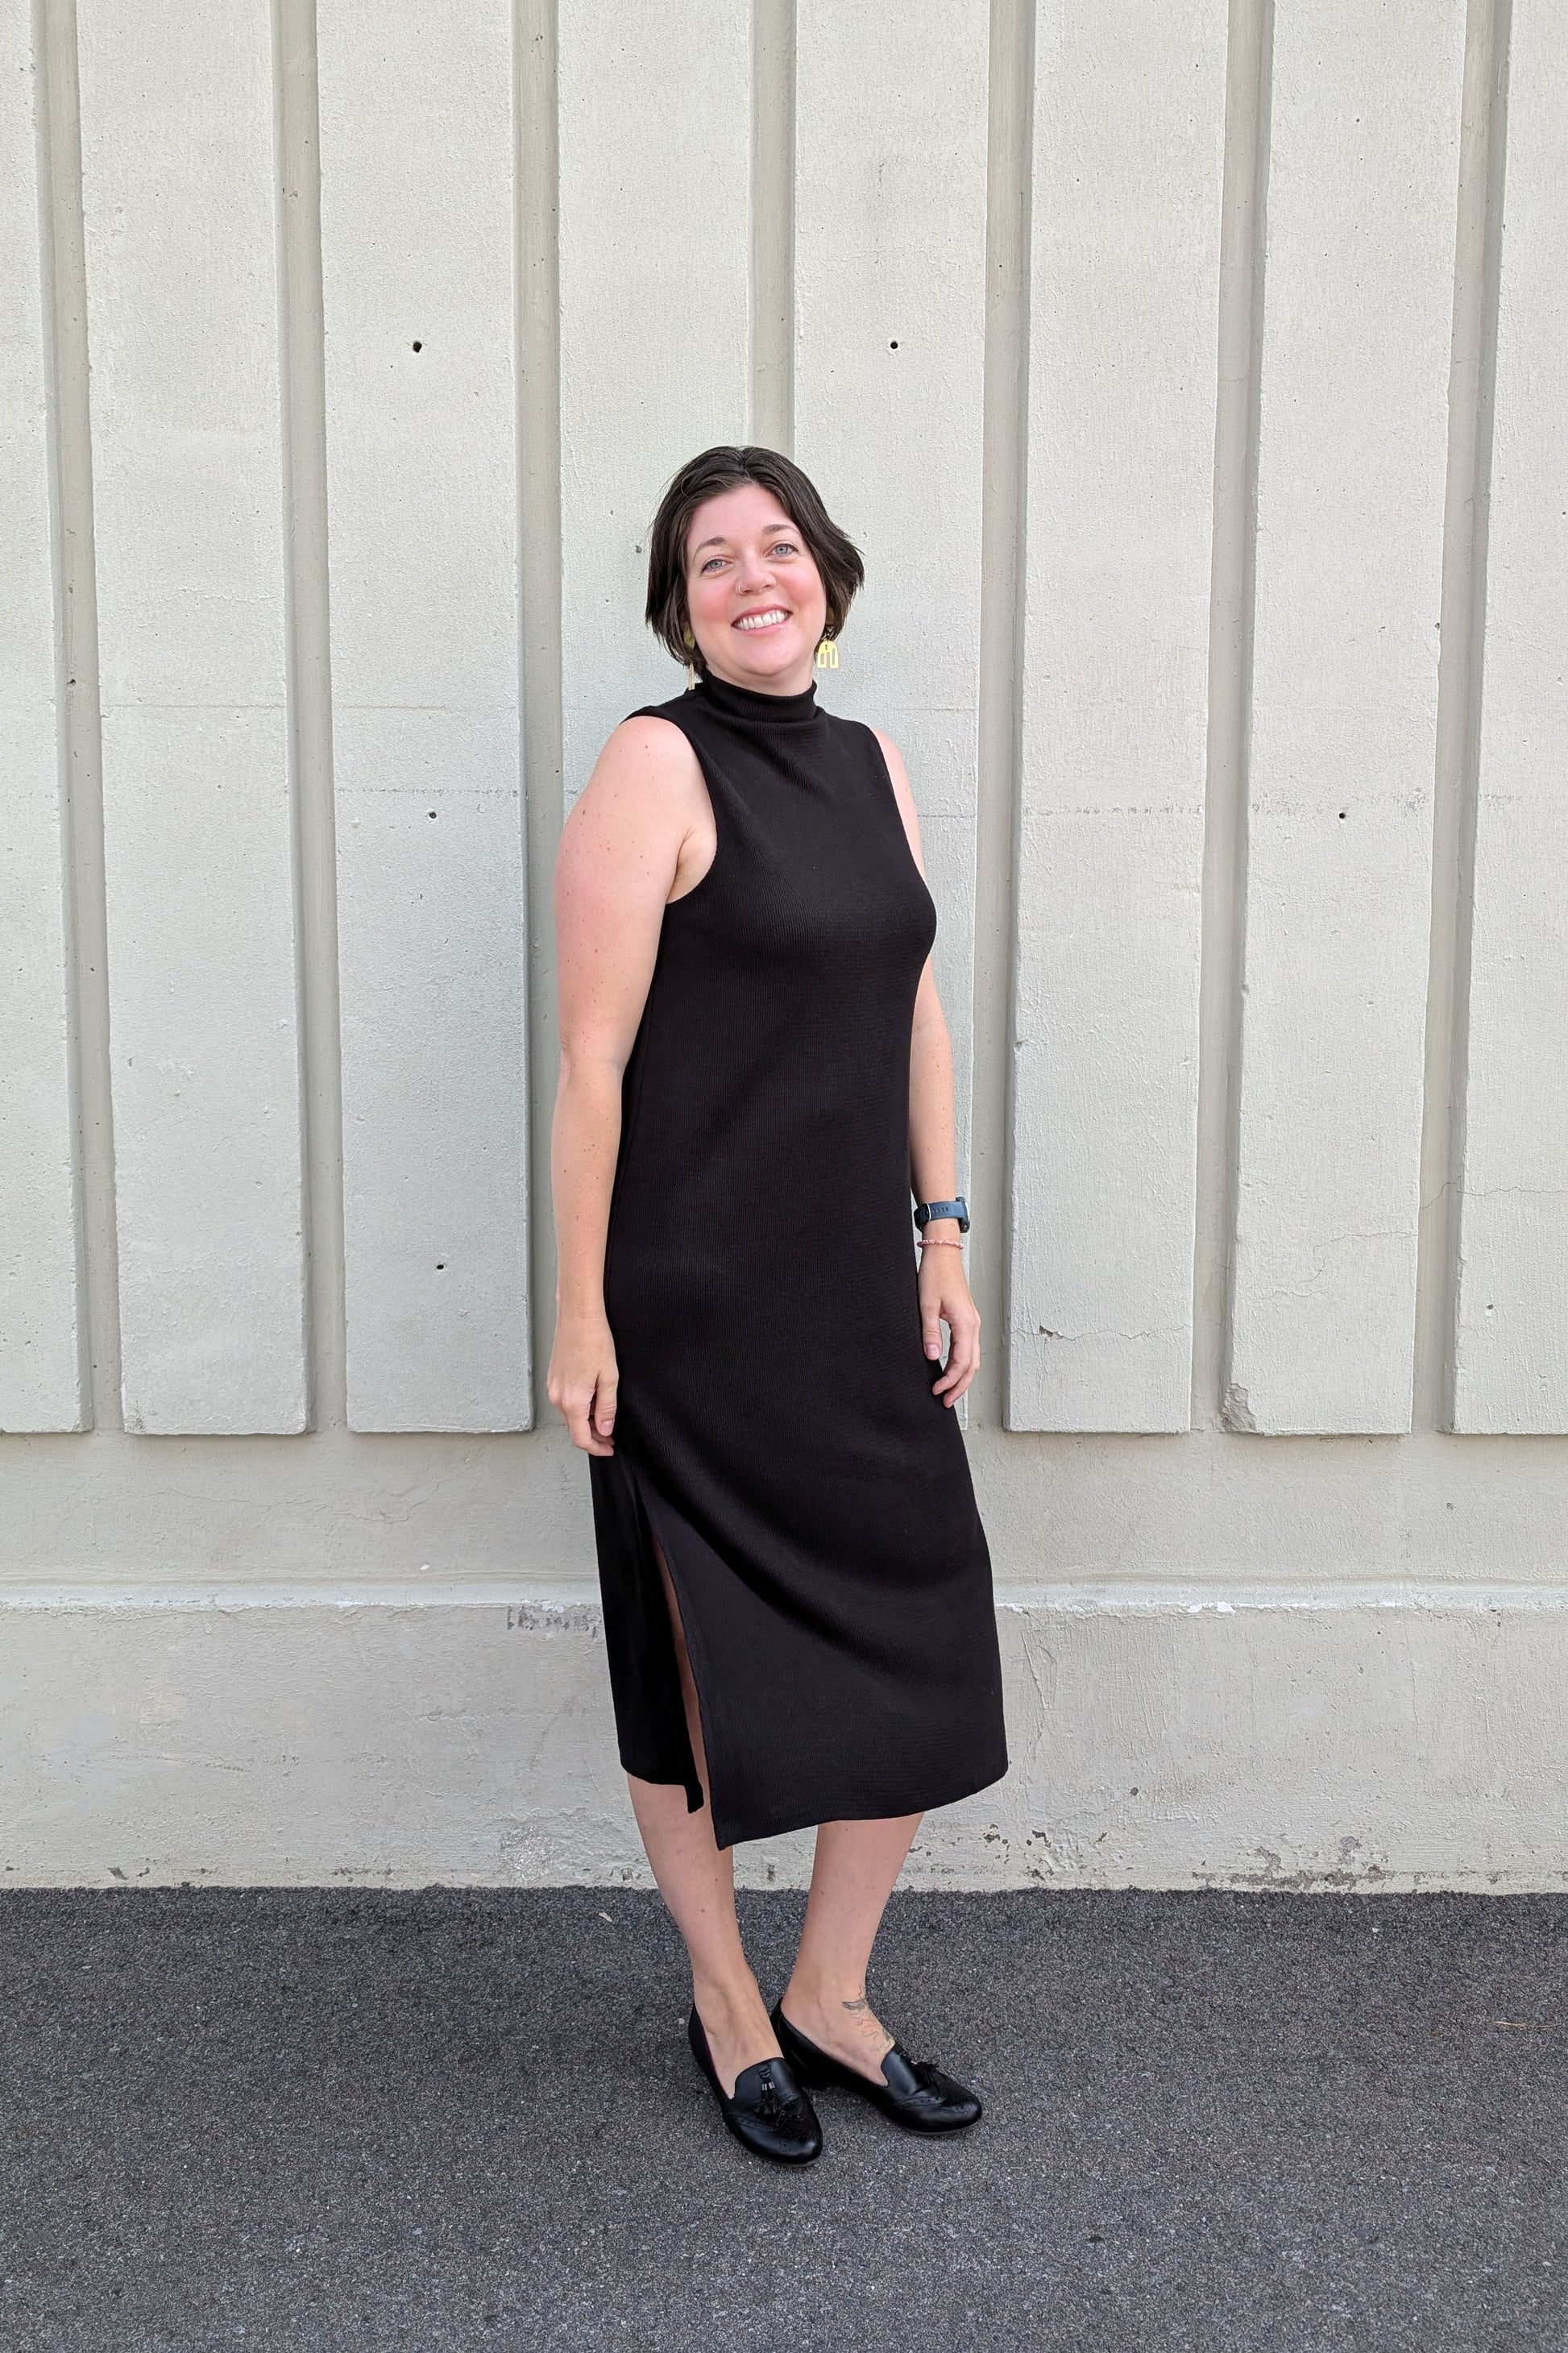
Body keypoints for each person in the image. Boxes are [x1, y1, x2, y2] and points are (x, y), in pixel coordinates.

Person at [547, 445, 1008, 2163]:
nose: (755, 574)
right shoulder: (653, 762)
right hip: (690, 1300)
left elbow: (914, 1013)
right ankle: (727, 1997)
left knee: (917, 1616)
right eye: (713, 557)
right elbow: (591, 1063)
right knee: (692, 1664)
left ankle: (831, 1985)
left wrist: (942, 1241)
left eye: (779, 544)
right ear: (681, 602)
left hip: (849, 1291)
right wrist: (582, 1317)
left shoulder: (869, 759)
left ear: (825, 567)